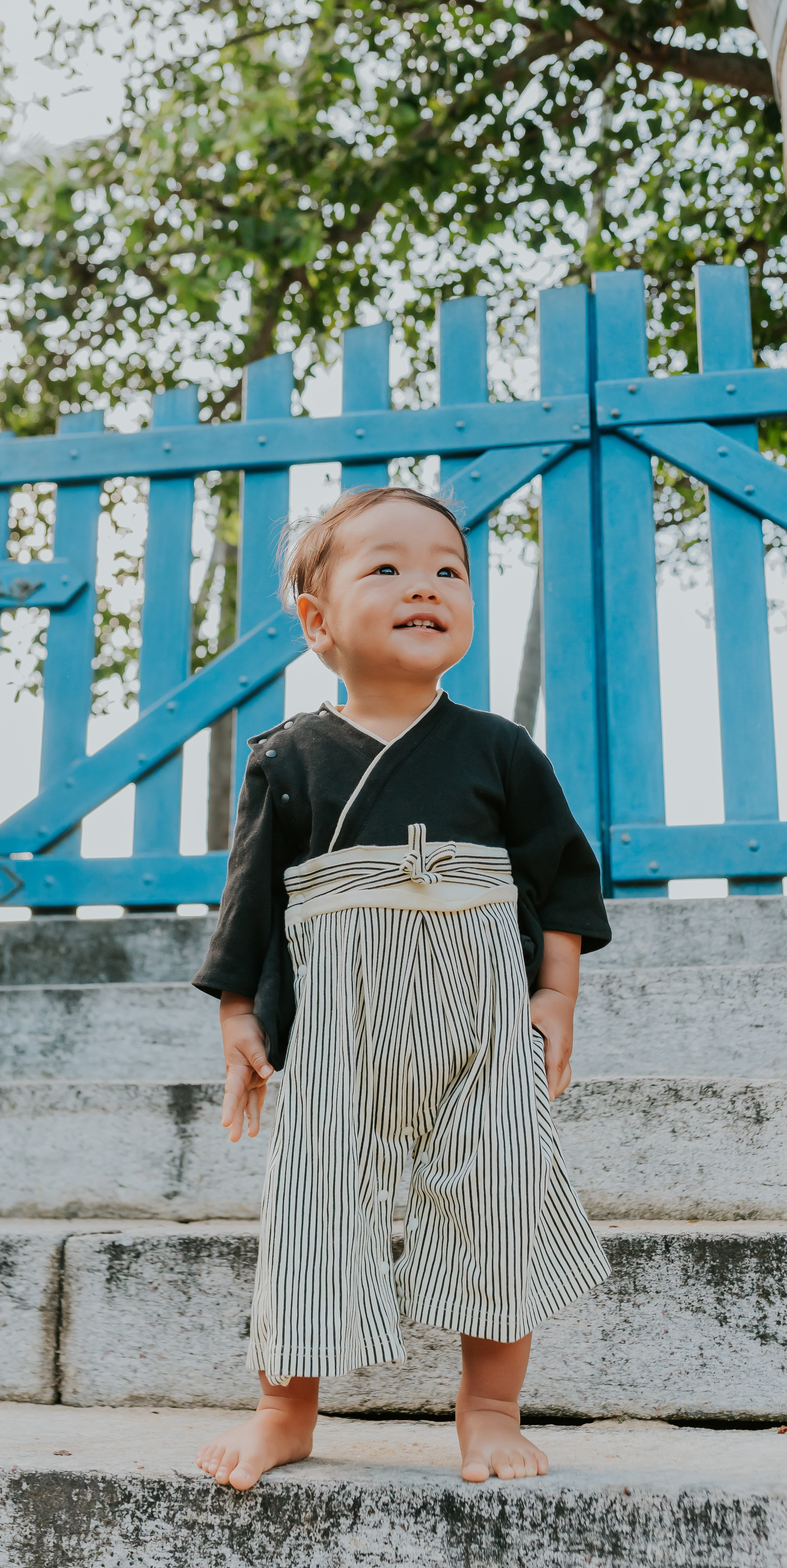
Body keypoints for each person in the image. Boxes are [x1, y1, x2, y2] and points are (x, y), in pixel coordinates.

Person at [191, 485, 610, 1491]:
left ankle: (491, 1407)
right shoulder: (286, 759)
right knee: (310, 1205)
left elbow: (559, 875)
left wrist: (555, 998)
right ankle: (283, 1407)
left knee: (500, 1194)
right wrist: (240, 1013)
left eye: (447, 568)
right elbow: (248, 901)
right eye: (385, 566)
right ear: (318, 620)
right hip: (342, 1030)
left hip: (482, 1026)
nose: (424, 583)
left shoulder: (502, 750)